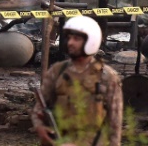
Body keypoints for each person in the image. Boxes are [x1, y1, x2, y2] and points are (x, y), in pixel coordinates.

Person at [32, 16, 123, 146]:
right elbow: (38, 109)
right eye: (69, 38)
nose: (70, 43)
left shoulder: (107, 76)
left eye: (76, 39)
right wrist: (40, 128)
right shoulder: (57, 72)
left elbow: (115, 120)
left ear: (90, 41)